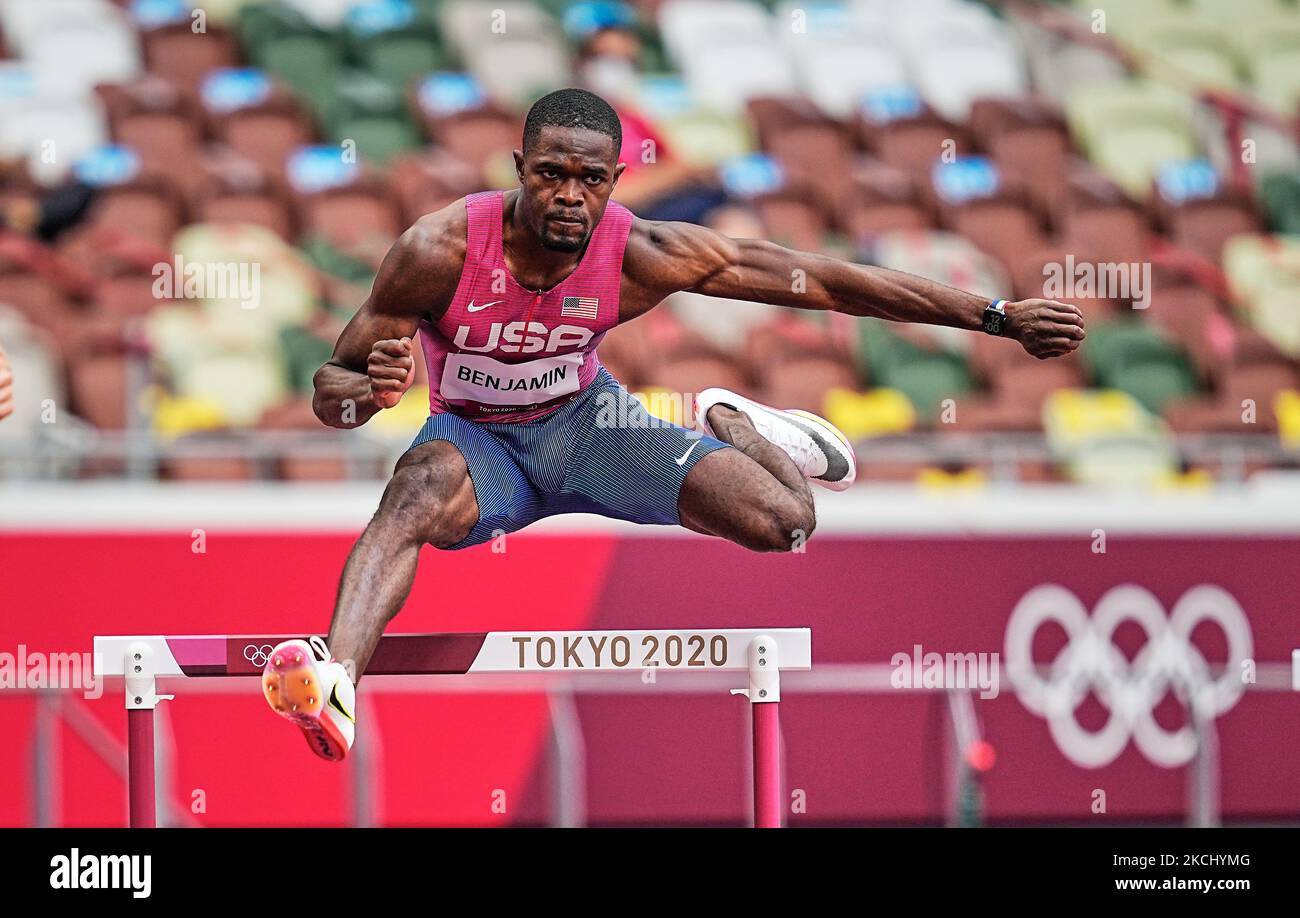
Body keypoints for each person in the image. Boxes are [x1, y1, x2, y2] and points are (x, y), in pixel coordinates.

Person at [261, 89, 1084, 761]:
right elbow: (327, 396)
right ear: (520, 169)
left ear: (617, 180)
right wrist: (364, 393)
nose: (569, 197)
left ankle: (743, 423)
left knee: (788, 523)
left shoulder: (642, 252)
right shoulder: (437, 250)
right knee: (415, 488)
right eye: (550, 175)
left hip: (592, 427)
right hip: (481, 445)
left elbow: (829, 282)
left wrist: (998, 314)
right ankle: (334, 678)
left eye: (590, 180)